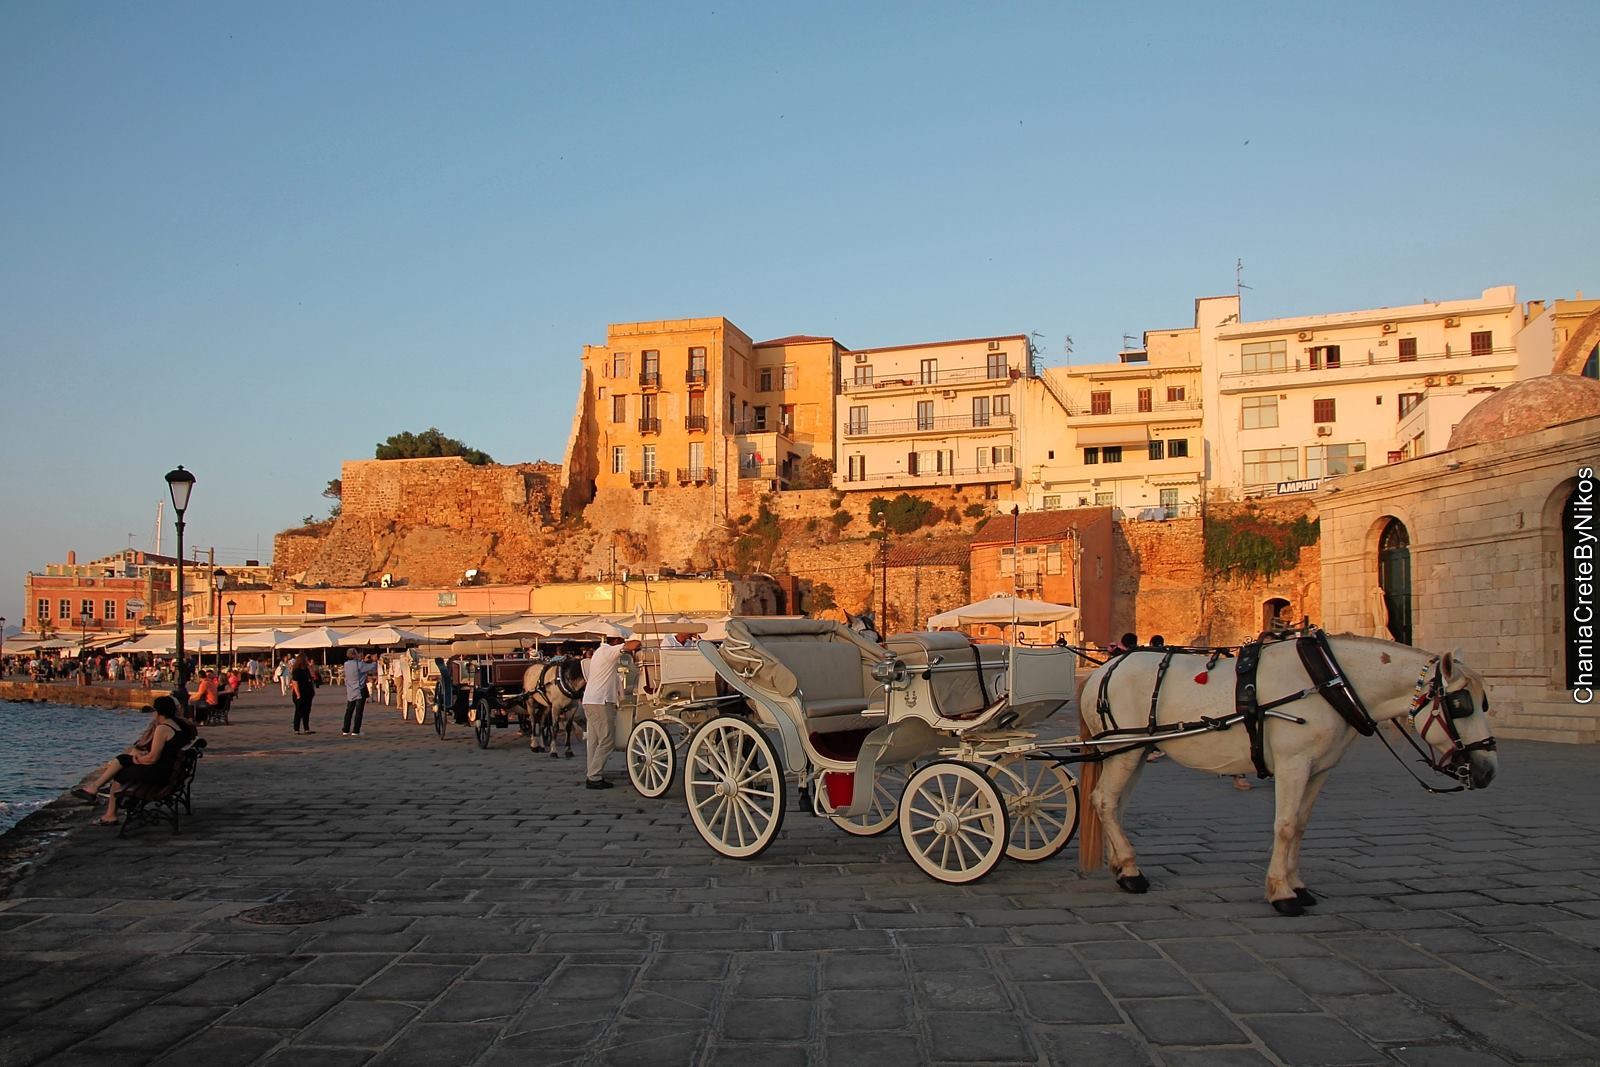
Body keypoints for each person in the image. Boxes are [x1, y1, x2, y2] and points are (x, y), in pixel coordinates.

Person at [73, 696, 197, 825]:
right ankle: (94, 788)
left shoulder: (163, 729)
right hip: (171, 772)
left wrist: (138, 759)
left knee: (119, 773)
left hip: (161, 774)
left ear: (157, 711)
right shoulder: (178, 726)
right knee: (123, 760)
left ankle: (109, 814)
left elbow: (153, 758)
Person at [581, 636, 642, 789]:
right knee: (608, 739)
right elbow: (634, 644)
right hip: (601, 701)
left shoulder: (600, 653)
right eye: (621, 640)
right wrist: (637, 644)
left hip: (591, 699)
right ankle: (594, 776)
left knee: (594, 741)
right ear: (615, 641)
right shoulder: (608, 651)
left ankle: (592, 772)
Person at [342, 648, 378, 736]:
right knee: (359, 711)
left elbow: (360, 666)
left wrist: (364, 660)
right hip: (359, 690)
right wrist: (374, 660)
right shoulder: (359, 664)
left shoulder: (346, 664)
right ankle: (355, 730)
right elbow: (372, 667)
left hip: (350, 690)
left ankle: (345, 730)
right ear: (354, 655)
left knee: (349, 710)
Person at [290, 654, 318, 734]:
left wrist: (311, 667)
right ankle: (296, 729)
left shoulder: (306, 669)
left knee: (307, 711)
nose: (307, 661)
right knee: (299, 711)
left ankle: (306, 728)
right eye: (306, 659)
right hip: (300, 693)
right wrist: (298, 694)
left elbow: (313, 677)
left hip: (308, 693)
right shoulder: (297, 670)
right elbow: (295, 683)